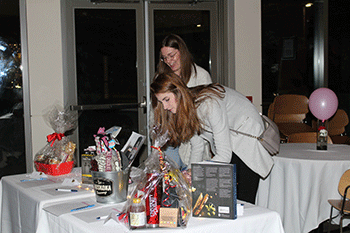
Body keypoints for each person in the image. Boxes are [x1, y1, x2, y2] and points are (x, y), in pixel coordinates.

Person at [150, 73, 274, 204]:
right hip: (231, 141)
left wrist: (195, 172)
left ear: (178, 92)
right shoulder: (186, 108)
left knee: (243, 201)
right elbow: (197, 146)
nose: (164, 107)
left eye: (166, 99)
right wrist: (191, 173)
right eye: (160, 102)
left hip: (247, 136)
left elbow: (224, 155)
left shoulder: (209, 104)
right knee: (227, 199)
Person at [155, 34, 212, 169]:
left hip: (193, 142)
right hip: (170, 142)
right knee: (170, 184)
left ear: (182, 52)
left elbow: (206, 117)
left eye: (172, 55)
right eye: (165, 58)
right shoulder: (161, 78)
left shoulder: (201, 76)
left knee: (189, 182)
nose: (169, 60)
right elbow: (157, 114)